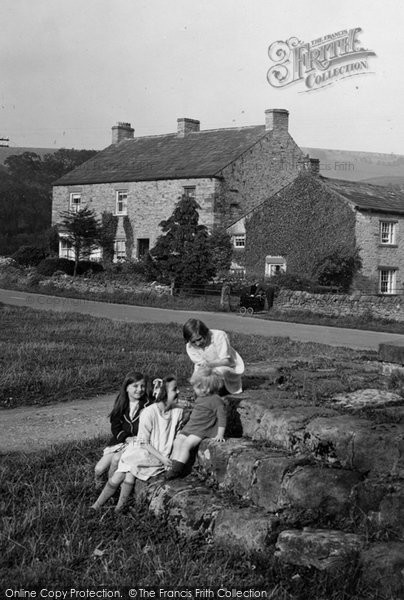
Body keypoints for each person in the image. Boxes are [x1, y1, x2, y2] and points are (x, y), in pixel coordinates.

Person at [91, 376, 184, 512]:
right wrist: (162, 458)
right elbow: (142, 441)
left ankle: (118, 508)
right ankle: (97, 505)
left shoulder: (178, 412)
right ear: (164, 392)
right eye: (174, 389)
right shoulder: (149, 412)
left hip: (155, 453)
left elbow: (177, 436)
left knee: (129, 473)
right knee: (120, 472)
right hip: (143, 449)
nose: (179, 391)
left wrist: (169, 457)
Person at [93, 372, 153, 487]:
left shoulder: (148, 404)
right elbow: (115, 426)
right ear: (126, 388)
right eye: (135, 386)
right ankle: (98, 486)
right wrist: (125, 437)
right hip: (121, 441)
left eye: (142, 386)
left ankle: (111, 487)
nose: (139, 389)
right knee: (99, 469)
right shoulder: (121, 402)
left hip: (136, 442)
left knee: (116, 460)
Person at [166, 368, 226, 480]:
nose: (194, 389)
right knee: (178, 440)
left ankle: (177, 469)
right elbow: (198, 411)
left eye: (196, 387)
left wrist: (220, 434)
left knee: (187, 444)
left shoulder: (216, 400)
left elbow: (222, 418)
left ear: (205, 388)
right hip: (192, 426)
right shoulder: (200, 397)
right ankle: (173, 464)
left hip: (202, 429)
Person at [183, 318, 244, 395]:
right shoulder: (190, 346)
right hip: (208, 367)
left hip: (228, 366)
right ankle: (203, 391)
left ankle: (219, 389)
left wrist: (209, 365)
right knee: (197, 376)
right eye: (193, 342)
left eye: (199, 339)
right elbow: (200, 364)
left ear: (205, 333)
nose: (197, 344)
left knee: (218, 371)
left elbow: (226, 361)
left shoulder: (219, 336)